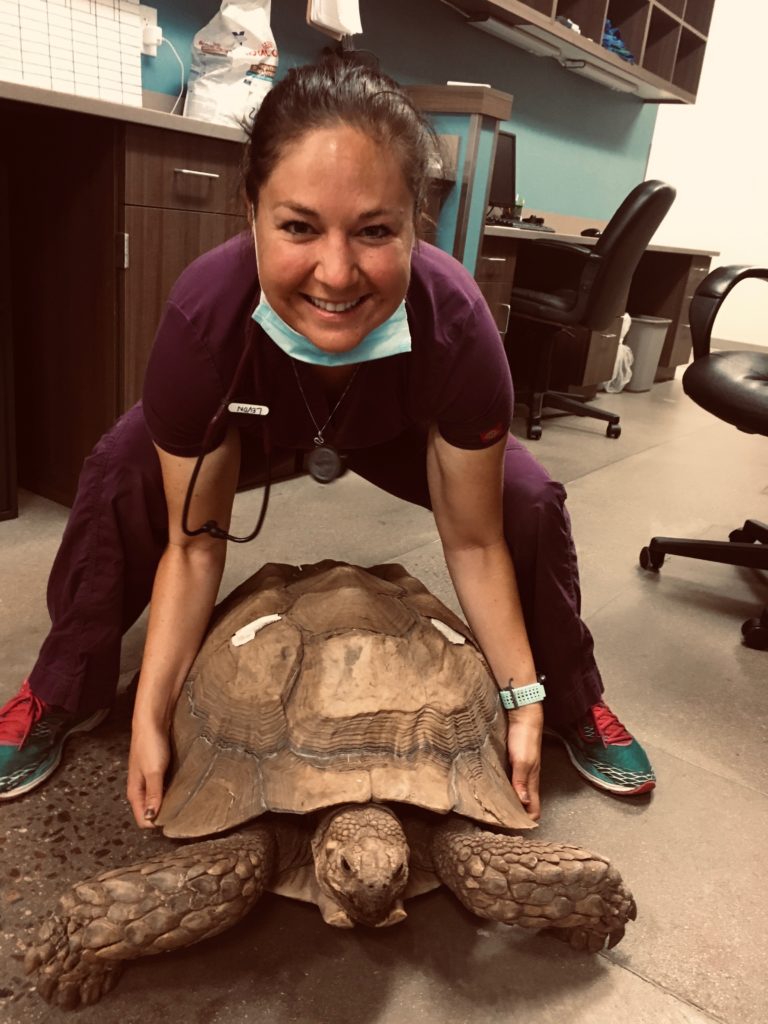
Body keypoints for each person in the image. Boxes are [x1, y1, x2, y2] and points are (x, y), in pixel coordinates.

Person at [0, 57, 655, 825]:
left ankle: (570, 700)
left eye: (375, 230)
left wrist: (520, 693)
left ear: (420, 223)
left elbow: (476, 544)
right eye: (299, 227)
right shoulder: (202, 322)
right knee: (123, 465)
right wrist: (152, 713)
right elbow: (195, 546)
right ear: (252, 212)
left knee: (528, 497)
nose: (336, 273)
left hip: (395, 430)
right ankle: (61, 687)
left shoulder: (459, 327)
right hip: (258, 421)